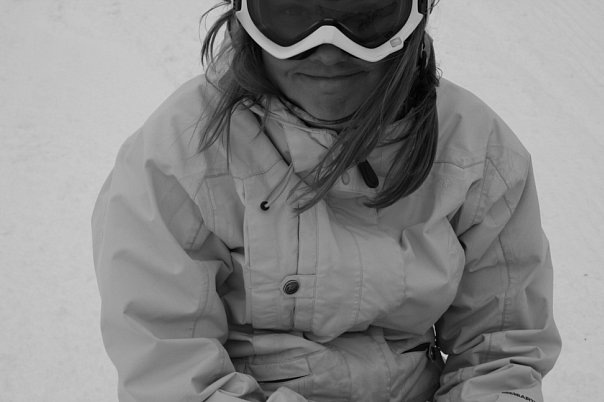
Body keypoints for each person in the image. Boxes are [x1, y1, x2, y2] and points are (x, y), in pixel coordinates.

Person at [92, 1, 561, 401]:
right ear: (246, 17)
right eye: (291, 12)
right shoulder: (179, 155)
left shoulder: (474, 150)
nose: (330, 50)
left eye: (366, 14)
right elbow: (172, 370)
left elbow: (500, 348)